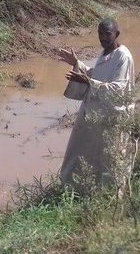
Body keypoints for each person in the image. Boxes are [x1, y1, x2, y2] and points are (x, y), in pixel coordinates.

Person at [56, 18, 135, 190]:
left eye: (107, 34)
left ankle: (108, 193)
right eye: (100, 33)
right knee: (80, 150)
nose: (103, 38)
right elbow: (96, 76)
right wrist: (77, 64)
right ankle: (75, 188)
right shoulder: (106, 53)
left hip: (110, 118)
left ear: (117, 34)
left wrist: (87, 80)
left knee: (107, 156)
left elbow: (118, 89)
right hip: (94, 115)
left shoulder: (123, 56)